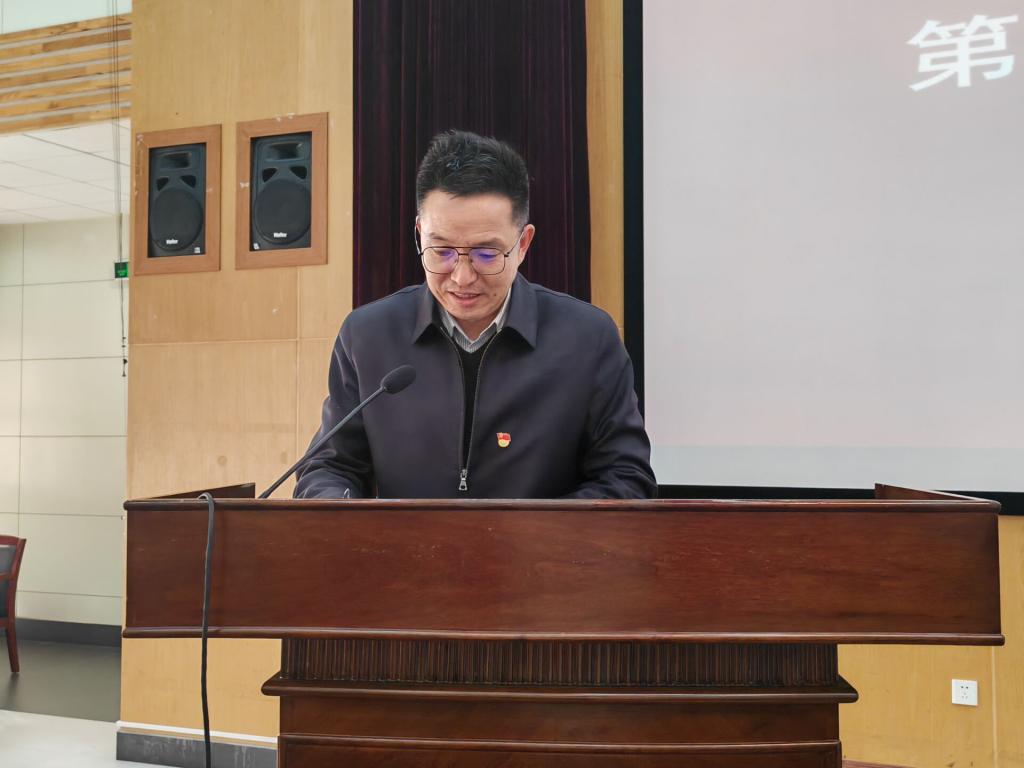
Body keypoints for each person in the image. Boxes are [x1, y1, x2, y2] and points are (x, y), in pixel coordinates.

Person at [294, 130, 656, 499]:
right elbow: (330, 467)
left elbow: (625, 478)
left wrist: (531, 530)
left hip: (542, 540)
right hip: (403, 540)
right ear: (419, 235)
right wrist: (335, 509)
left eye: (486, 254)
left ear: (523, 244)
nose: (462, 277)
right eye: (442, 251)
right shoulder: (368, 335)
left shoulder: (587, 338)